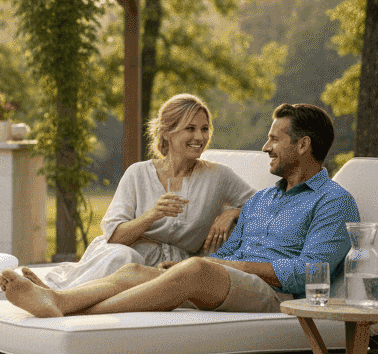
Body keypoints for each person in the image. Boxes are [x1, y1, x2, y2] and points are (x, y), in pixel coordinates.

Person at [4, 103, 359, 318]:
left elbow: (313, 273)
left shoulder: (333, 201)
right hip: (229, 283)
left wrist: (214, 266)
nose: (265, 147)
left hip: (277, 295)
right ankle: (59, 299)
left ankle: (68, 313)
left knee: (197, 270)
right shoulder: (263, 200)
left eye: (275, 139)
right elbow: (227, 253)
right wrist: (209, 261)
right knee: (132, 272)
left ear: (304, 144)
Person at [41, 93, 256, 289]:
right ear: (167, 133)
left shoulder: (218, 176)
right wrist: (153, 215)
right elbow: (115, 237)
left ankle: (57, 293)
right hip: (123, 254)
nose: (199, 137)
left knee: (127, 264)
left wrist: (233, 212)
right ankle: (58, 291)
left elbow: (266, 204)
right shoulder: (138, 174)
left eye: (204, 129)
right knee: (123, 257)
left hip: (169, 268)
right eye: (190, 129)